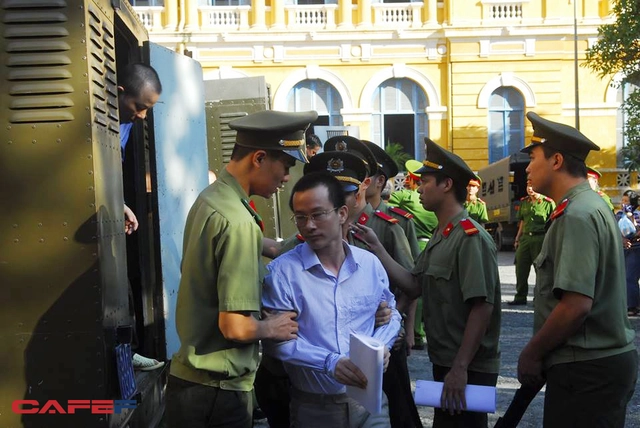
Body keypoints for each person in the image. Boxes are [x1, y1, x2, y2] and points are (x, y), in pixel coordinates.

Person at [165, 109, 318, 428]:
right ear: (259, 158)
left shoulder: (212, 200)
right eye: (286, 165)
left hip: (192, 384)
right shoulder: (237, 222)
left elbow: (263, 249)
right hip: (218, 392)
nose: (287, 177)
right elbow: (235, 327)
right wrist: (271, 328)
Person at [352, 138, 501, 428]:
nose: (418, 188)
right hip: (447, 359)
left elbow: (482, 308)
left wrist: (460, 368)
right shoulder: (443, 234)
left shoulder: (469, 238)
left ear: (446, 185)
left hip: (467, 365)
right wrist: (377, 247)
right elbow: (414, 285)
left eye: (426, 181)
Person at [516, 112, 637, 428]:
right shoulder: (588, 205)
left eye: (533, 158)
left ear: (556, 161)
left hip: (586, 370)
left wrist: (531, 352)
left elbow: (575, 306)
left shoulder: (576, 214)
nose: (527, 167)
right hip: (595, 366)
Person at [262, 172, 401, 428]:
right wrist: (329, 363)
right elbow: (275, 344)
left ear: (342, 214)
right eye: (301, 217)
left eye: (318, 214)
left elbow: (391, 313)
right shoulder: (283, 273)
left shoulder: (369, 265)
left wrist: (382, 346)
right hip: (315, 408)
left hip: (371, 405)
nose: (309, 225)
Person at [117, 63, 165, 371]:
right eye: (139, 107)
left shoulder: (127, 121)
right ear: (119, 94)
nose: (142, 116)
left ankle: (128, 353)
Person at [388, 159, 438, 351]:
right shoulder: (432, 203)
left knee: (412, 289)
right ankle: (423, 333)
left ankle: (414, 332)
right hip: (433, 243)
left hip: (411, 244)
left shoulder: (405, 197)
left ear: (410, 179)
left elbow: (386, 207)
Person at [508, 181, 555, 306]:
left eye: (532, 186)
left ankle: (538, 298)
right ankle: (520, 297)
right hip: (525, 239)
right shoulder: (524, 202)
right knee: (520, 268)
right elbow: (522, 222)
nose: (530, 189)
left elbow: (553, 223)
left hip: (540, 238)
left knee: (540, 269)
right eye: (528, 186)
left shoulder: (548, 203)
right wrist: (517, 238)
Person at [615, 190, 640, 317]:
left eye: (626, 201)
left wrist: (630, 217)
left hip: (635, 249)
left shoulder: (637, 215)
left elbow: (637, 231)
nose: (623, 204)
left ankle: (633, 306)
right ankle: (626, 303)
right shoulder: (618, 214)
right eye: (622, 200)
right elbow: (614, 230)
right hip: (622, 249)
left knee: (630, 277)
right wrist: (622, 239)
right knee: (623, 277)